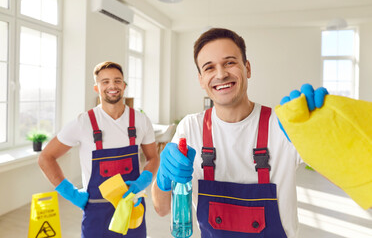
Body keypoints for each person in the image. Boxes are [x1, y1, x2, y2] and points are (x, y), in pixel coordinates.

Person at [151, 28, 327, 238]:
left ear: (247, 68)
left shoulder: (282, 125)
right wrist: (163, 177)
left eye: (229, 62)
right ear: (200, 79)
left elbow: (349, 180)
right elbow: (161, 209)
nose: (220, 74)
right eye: (209, 68)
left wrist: (323, 134)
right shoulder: (190, 129)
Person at [39, 61, 159, 238]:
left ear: (124, 86)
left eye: (117, 81)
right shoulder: (84, 122)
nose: (112, 86)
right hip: (96, 212)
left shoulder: (141, 121)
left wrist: (142, 182)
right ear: (97, 88)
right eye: (105, 81)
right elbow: (46, 157)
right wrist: (70, 193)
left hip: (132, 208)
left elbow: (153, 158)